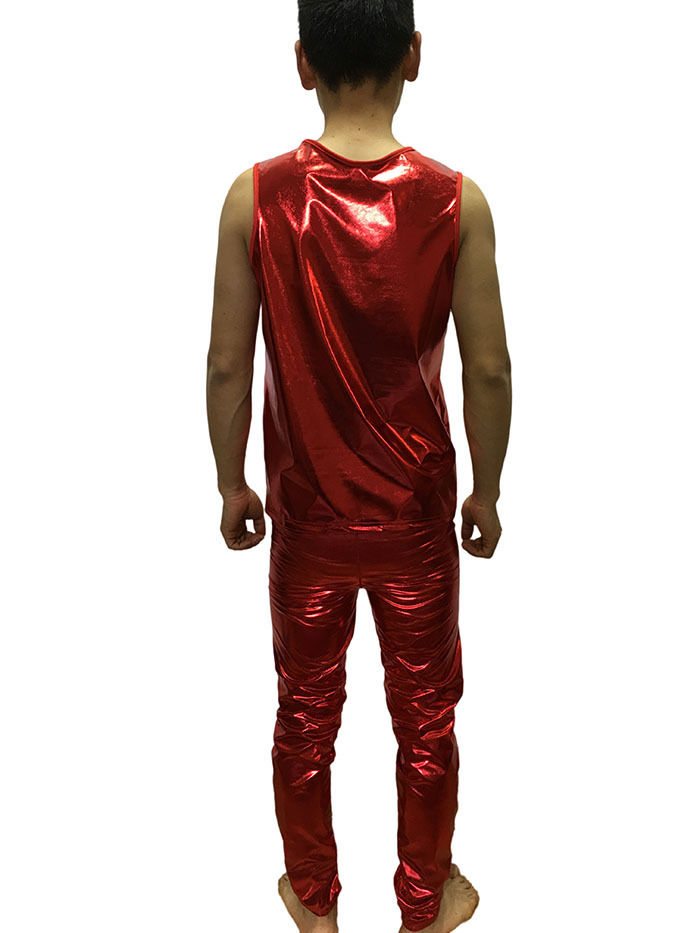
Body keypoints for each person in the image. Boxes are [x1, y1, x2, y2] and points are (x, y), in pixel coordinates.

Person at [206, 3, 511, 931]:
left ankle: (315, 900)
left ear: (303, 61)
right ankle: (424, 901)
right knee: (426, 718)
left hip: (307, 524)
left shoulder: (255, 198)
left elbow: (226, 364)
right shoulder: (457, 202)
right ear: (414, 55)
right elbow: (489, 368)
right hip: (417, 522)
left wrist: (231, 480)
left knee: (305, 713)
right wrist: (487, 490)